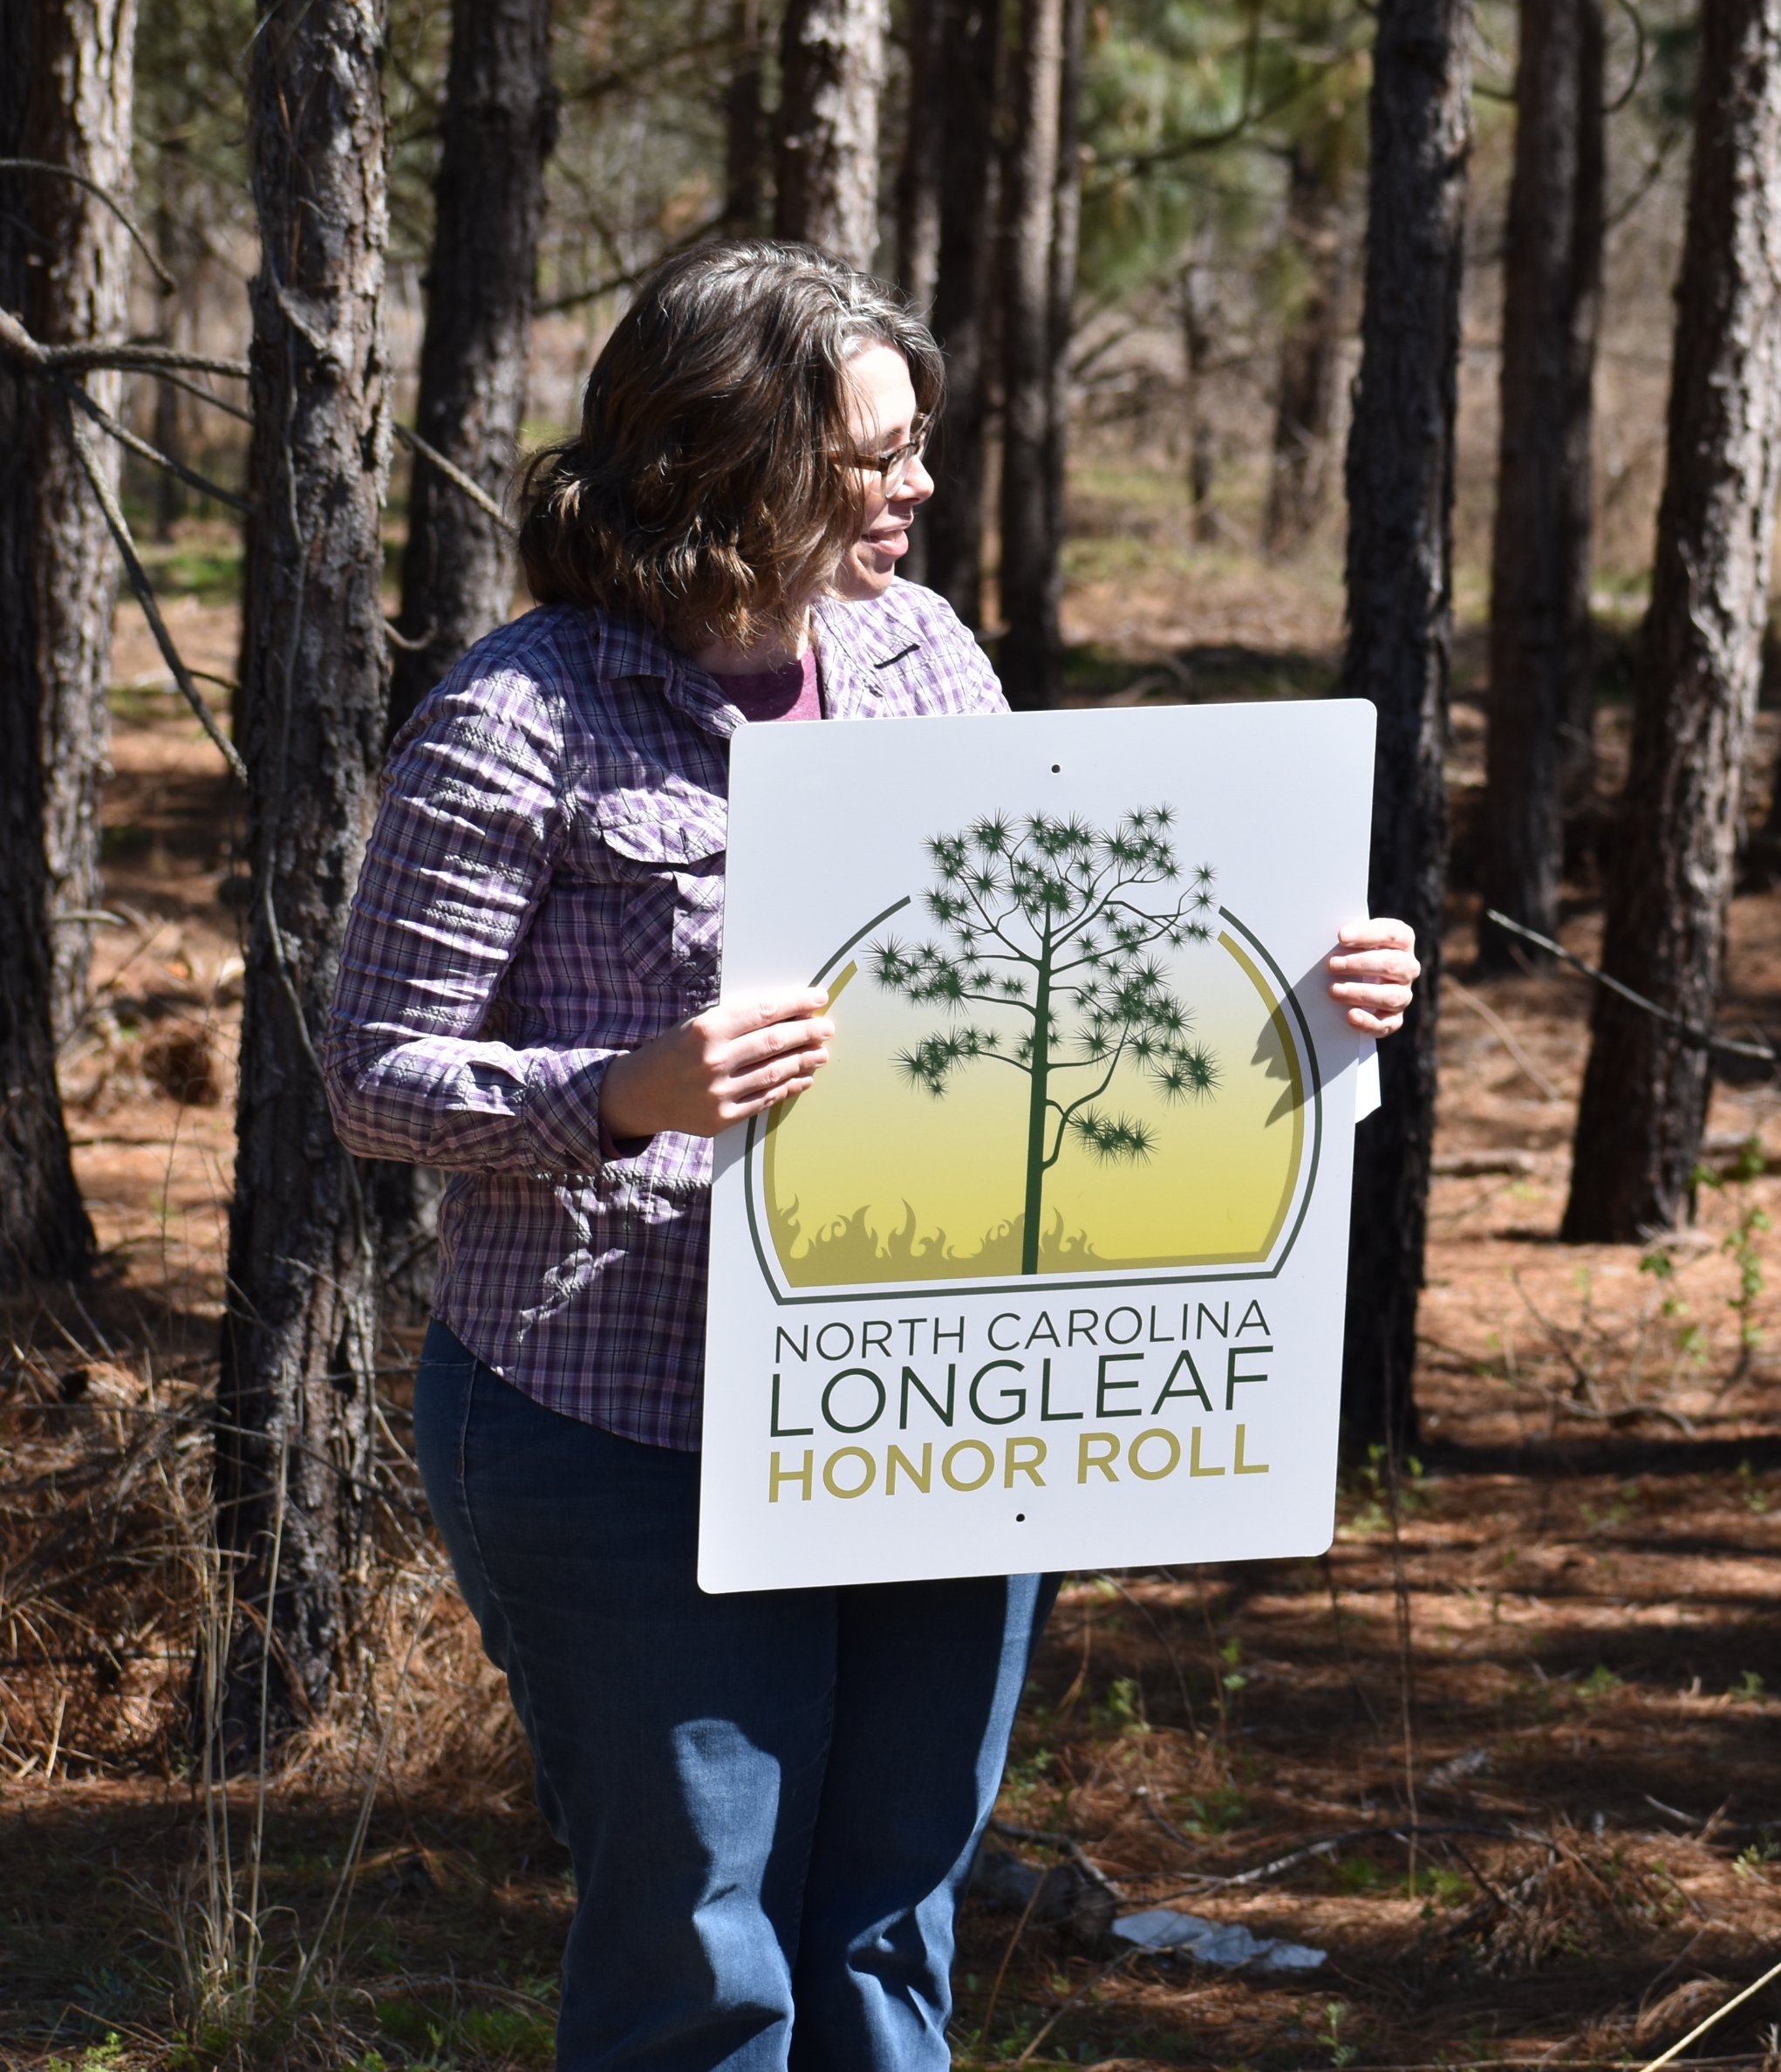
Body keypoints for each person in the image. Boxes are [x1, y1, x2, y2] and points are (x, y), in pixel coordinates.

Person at [324, 240, 1421, 2072]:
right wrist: (621, 1091)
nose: (917, 484)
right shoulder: (521, 718)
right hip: (623, 1426)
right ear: (728, 460)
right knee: (701, 1960)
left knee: (886, 1930)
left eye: (917, 446)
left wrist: (1307, 997)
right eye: (873, 454)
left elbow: (1031, 960)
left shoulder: (921, 653)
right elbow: (372, 1076)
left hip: (923, 1405)